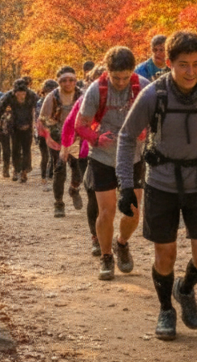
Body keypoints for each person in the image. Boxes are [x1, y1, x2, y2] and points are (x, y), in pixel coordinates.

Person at [116, 30, 197, 341]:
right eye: (183, 64)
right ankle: (165, 309)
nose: (191, 72)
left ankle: (185, 289)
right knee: (165, 254)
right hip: (162, 182)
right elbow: (127, 137)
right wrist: (126, 184)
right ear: (168, 63)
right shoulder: (153, 94)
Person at [75, 46, 149, 281]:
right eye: (116, 77)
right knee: (106, 212)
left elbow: (157, 119)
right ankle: (106, 257)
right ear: (107, 72)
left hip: (133, 157)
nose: (120, 82)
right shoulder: (97, 90)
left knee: (134, 212)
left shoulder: (143, 87)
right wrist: (96, 138)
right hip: (103, 157)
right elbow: (80, 125)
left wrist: (145, 130)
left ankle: (122, 244)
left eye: (125, 77)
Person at [62, 93, 101, 255]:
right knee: (93, 193)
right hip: (87, 151)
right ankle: (96, 237)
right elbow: (69, 123)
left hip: (120, 153)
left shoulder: (128, 94)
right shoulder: (86, 98)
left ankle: (119, 239)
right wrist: (65, 146)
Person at [41, 68, 83, 217]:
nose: (68, 83)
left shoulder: (82, 95)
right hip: (57, 138)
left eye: (71, 80)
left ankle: (74, 188)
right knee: (59, 169)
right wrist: (55, 134)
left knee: (78, 169)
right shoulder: (52, 97)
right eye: (64, 80)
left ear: (75, 80)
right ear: (59, 81)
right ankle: (58, 203)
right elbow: (44, 119)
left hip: (77, 138)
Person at [0, 78, 39, 183]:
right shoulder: (8, 96)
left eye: (23, 93)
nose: (21, 96)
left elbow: (40, 107)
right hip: (14, 126)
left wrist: (39, 122)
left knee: (26, 149)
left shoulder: (32, 96)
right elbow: (0, 108)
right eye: (18, 94)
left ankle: (24, 170)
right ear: (15, 93)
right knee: (15, 148)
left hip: (28, 125)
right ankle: (16, 169)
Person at [37, 78, 58, 185]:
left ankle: (53, 174)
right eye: (48, 91)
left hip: (54, 132)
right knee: (45, 155)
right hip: (42, 131)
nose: (50, 94)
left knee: (55, 155)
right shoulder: (40, 103)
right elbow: (39, 118)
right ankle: (43, 175)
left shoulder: (59, 102)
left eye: (52, 91)